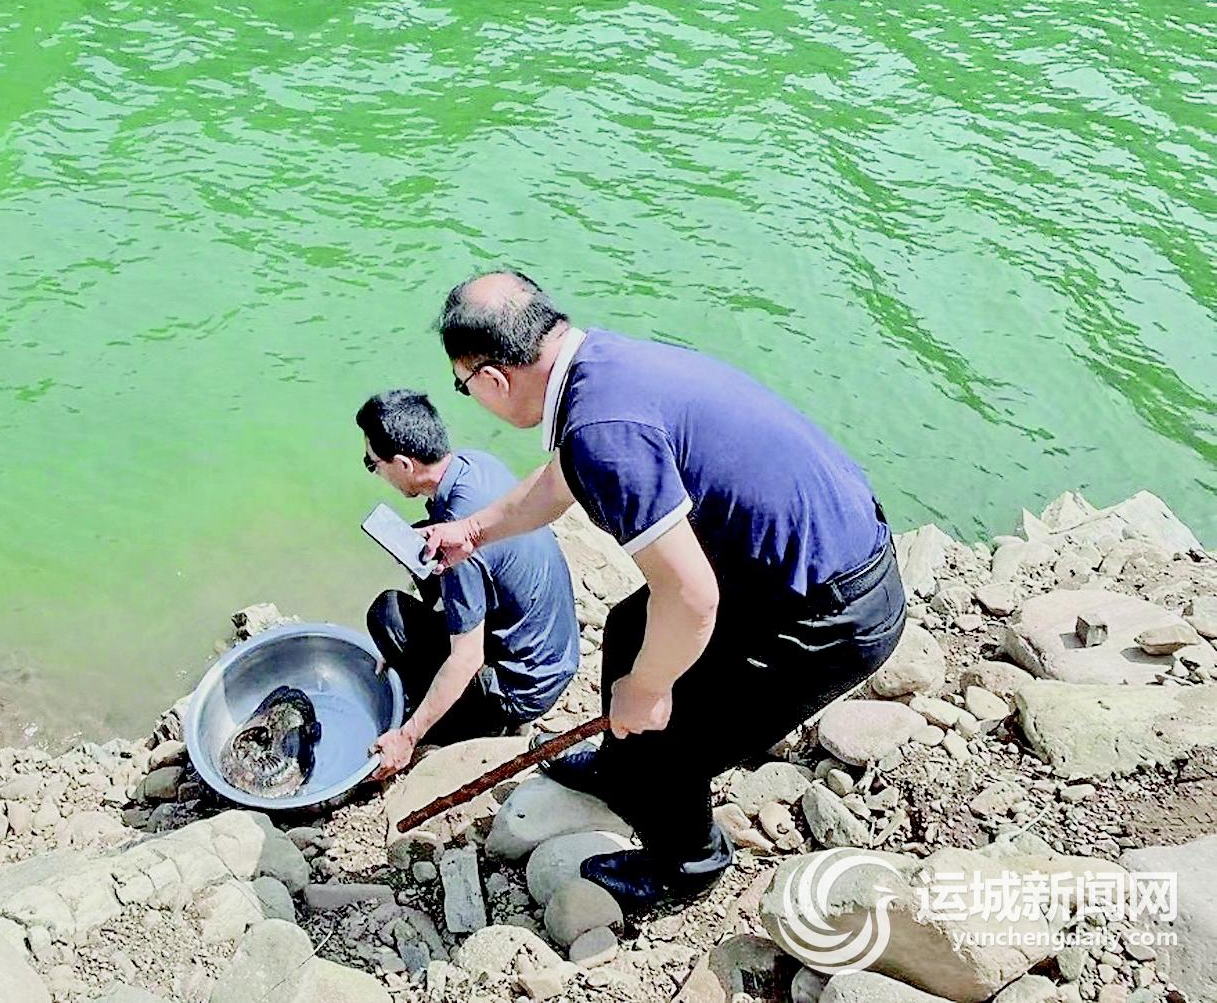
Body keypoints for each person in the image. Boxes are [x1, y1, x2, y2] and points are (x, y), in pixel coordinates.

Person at [420, 271, 905, 914]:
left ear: (492, 379)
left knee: (667, 728)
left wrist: (648, 690)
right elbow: (560, 481)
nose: (470, 397)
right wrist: (473, 531)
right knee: (629, 629)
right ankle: (621, 774)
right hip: (803, 562)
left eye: (464, 386)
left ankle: (689, 862)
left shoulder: (601, 430)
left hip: (832, 614)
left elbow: (691, 596)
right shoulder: (602, 367)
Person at [356, 389, 580, 780]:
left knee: (387, 615)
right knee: (420, 544)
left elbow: (467, 659)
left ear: (404, 464)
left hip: (521, 688)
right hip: (555, 653)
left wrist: (407, 737)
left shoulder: (460, 549)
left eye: (372, 464)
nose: (374, 472)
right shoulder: (475, 465)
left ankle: (475, 726)